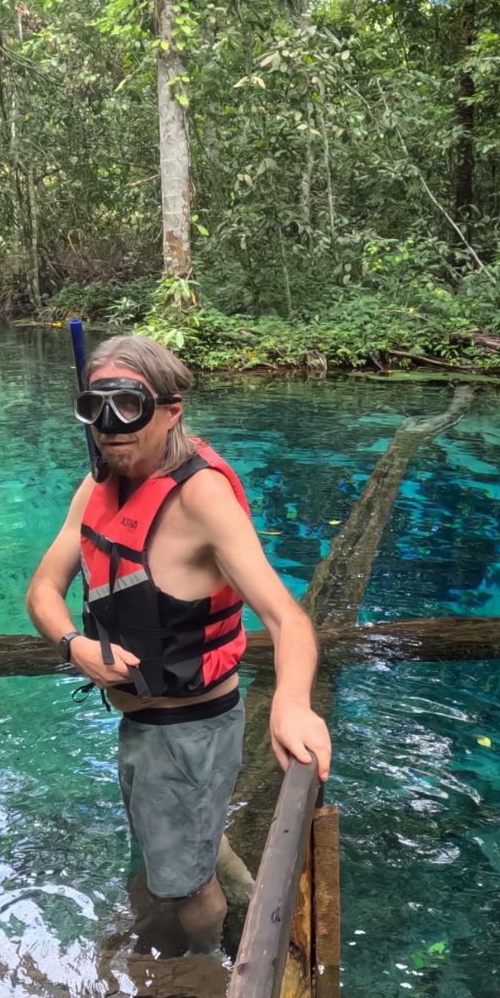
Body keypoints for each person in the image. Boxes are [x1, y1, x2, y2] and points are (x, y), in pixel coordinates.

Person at [26, 334, 332, 954]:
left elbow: (287, 618)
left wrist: (292, 703)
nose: (111, 427)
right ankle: (231, 888)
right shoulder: (97, 487)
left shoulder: (201, 499)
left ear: (171, 410)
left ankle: (202, 973)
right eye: (95, 408)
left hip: (188, 732)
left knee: (185, 891)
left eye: (128, 406)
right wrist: (72, 645)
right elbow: (41, 592)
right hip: (143, 726)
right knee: (182, 847)